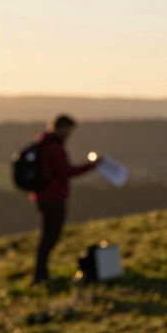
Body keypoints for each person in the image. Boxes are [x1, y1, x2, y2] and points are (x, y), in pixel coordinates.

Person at [29, 114, 100, 283]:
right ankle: (40, 274)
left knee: (48, 235)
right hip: (52, 198)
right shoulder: (54, 148)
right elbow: (67, 172)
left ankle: (41, 273)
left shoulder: (44, 143)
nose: (70, 134)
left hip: (44, 196)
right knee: (50, 236)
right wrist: (91, 166)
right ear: (61, 128)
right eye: (69, 130)